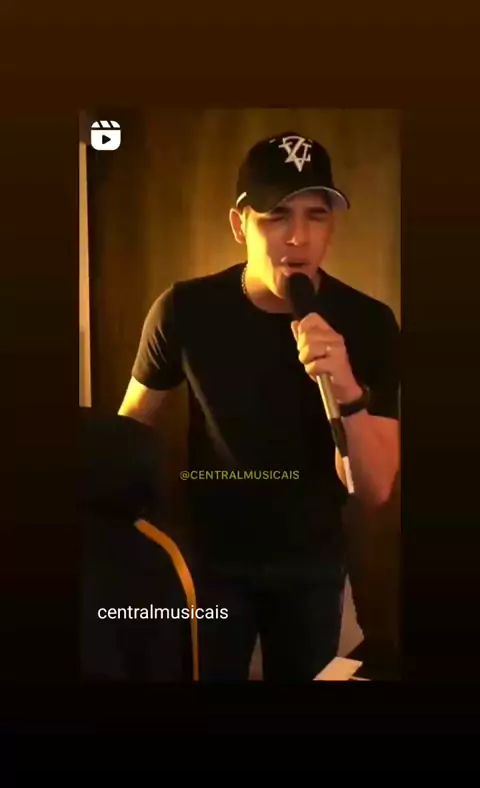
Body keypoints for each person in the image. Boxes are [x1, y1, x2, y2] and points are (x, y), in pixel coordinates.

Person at [118, 131, 400, 681]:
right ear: (239, 224)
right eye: (276, 216)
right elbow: (125, 434)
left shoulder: (369, 322)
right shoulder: (184, 309)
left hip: (314, 564)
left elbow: (374, 489)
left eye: (316, 215)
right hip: (210, 563)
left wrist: (347, 389)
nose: (298, 237)